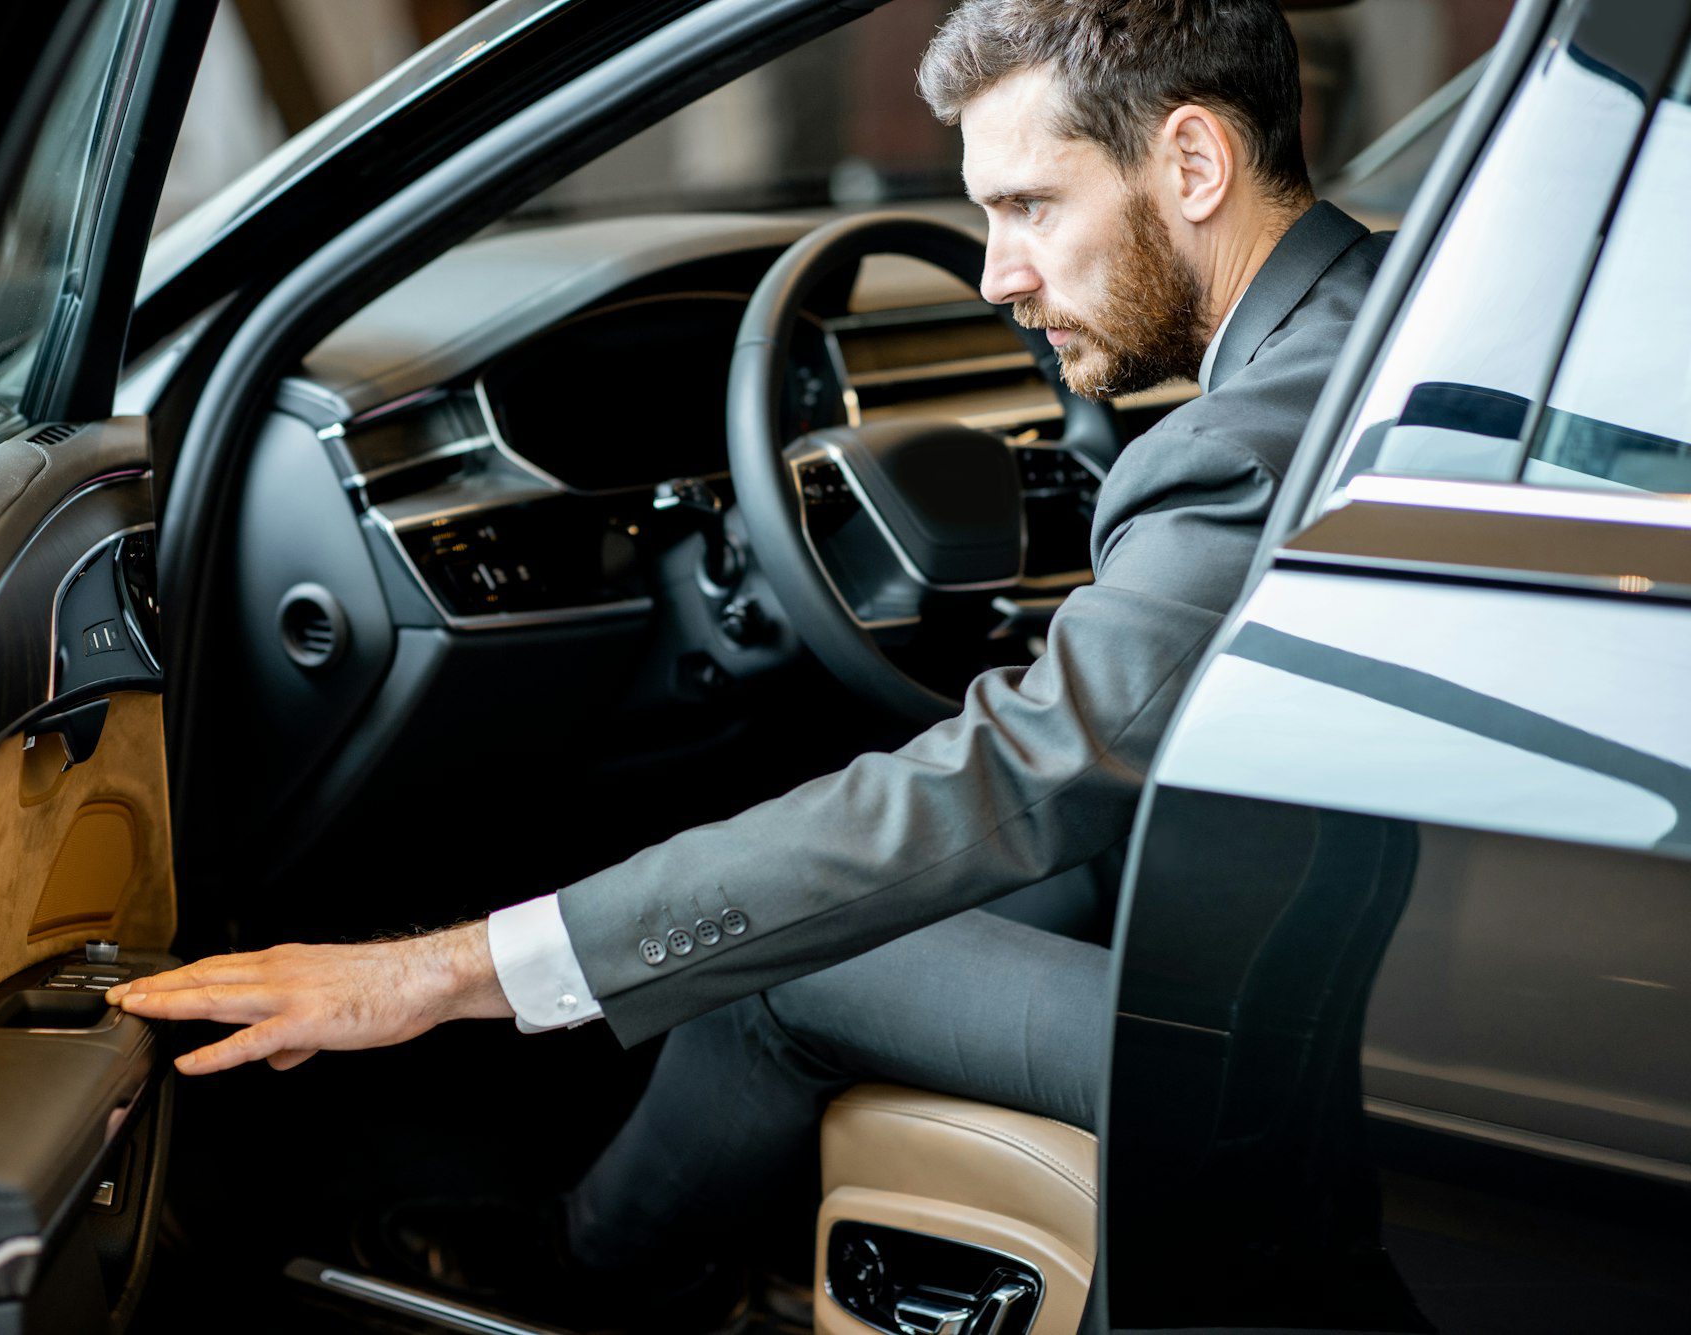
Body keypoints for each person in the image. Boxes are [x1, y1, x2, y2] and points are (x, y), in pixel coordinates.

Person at [111, 0, 1392, 1324]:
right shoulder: (1381, 321)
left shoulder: (1234, 449)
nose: (997, 275)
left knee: (780, 959)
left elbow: (1020, 770)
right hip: (1337, 960)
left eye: (1030, 207)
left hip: (1298, 1063)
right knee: (881, 896)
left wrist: (442, 970)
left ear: (1192, 164)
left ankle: (595, 1285)